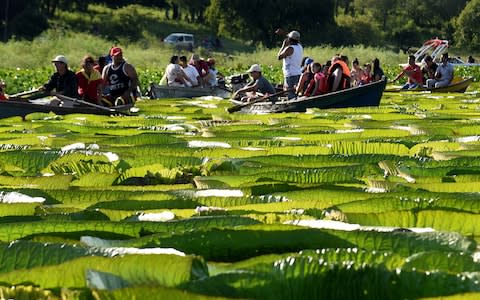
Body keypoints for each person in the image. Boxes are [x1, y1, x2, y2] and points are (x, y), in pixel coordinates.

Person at [277, 30, 303, 99]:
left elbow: (279, 57)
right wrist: (284, 33)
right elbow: (294, 38)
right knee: (295, 92)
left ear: (289, 40)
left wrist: (283, 45)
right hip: (297, 73)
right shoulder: (300, 46)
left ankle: (293, 106)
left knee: (290, 94)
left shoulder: (289, 48)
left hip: (290, 74)